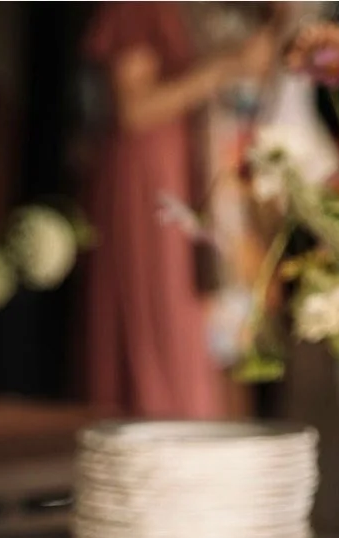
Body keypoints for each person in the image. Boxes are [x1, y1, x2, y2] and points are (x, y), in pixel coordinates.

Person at [82, 2, 278, 418]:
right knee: (167, 320)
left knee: (211, 329)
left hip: (196, 172)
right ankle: (166, 428)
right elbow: (134, 109)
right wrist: (226, 67)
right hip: (153, 178)